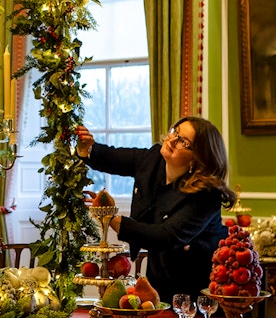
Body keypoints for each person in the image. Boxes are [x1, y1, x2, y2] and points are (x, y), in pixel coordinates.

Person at [75, 117, 236, 302]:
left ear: (198, 158)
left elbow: (165, 236)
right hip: (160, 280)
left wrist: (110, 218)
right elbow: (113, 158)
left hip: (199, 290)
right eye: (175, 132)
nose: (172, 140)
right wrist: (87, 148)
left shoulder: (207, 194)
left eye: (183, 141)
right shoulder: (153, 160)